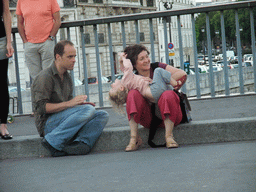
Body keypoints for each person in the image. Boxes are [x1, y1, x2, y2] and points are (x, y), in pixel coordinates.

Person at [31, 40, 109, 157]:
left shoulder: (67, 77)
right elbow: (40, 108)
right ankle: (52, 141)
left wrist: (78, 105)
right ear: (58, 57)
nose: (74, 60)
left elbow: (68, 106)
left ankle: (80, 144)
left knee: (102, 114)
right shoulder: (45, 77)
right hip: (47, 125)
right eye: (70, 57)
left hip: (63, 120)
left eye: (75, 56)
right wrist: (70, 104)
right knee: (87, 110)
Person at [120, 44, 187, 152]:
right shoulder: (133, 78)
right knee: (132, 94)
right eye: (142, 59)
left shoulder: (157, 67)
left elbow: (182, 73)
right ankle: (134, 139)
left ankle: (169, 137)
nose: (147, 60)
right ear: (134, 64)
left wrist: (161, 83)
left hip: (172, 114)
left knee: (167, 94)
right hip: (149, 118)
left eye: (147, 56)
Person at [109, 53, 181, 110]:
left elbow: (124, 70)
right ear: (121, 88)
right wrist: (124, 58)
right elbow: (128, 68)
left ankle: (171, 87)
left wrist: (121, 61)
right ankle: (175, 83)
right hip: (153, 91)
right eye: (113, 88)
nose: (111, 85)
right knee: (158, 70)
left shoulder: (127, 84)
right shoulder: (125, 80)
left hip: (152, 97)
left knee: (165, 85)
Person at [16, 0, 61, 80]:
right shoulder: (21, 1)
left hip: (47, 43)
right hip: (30, 45)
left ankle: (49, 92)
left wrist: (51, 37)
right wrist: (25, 41)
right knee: (36, 78)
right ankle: (39, 92)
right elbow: (19, 23)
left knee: (49, 76)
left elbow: (58, 21)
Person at [0, 0, 14, 140]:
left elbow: (6, 13)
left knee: (2, 83)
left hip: (1, 39)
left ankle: (3, 126)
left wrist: (9, 42)